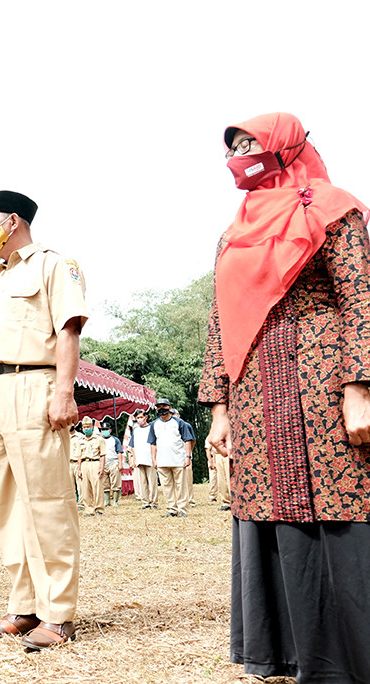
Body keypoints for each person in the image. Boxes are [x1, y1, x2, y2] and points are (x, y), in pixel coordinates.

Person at [200, 112, 370, 682]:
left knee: (339, 502)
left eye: (252, 143)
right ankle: (284, 651)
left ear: (286, 146)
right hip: (253, 392)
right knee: (269, 507)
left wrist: (360, 388)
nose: (241, 154)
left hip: (319, 382)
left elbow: (360, 299)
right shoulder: (233, 231)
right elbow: (219, 321)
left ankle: (348, 658)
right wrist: (219, 406)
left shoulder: (333, 207)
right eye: (234, 146)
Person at [0, 190, 87, 651]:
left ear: (13, 220)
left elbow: (68, 330)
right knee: (5, 506)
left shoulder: (54, 264)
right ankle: (24, 607)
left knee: (46, 501)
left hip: (34, 386)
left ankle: (59, 614)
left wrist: (63, 392)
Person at [147, 398, 195, 518]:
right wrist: (154, 459)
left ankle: (182, 508)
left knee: (181, 485)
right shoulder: (154, 424)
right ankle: (171, 509)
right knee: (166, 486)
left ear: (169, 407)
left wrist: (188, 456)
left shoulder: (179, 423)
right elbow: (153, 443)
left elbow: (187, 440)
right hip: (162, 460)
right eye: (159, 406)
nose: (161, 409)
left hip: (178, 459)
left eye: (164, 406)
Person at [75, 417, 106, 517]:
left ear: (92, 427)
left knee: (97, 486)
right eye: (84, 427)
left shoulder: (99, 439)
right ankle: (89, 509)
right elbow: (79, 456)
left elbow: (103, 455)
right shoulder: (80, 440)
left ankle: (99, 508)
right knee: (85, 488)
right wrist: (79, 469)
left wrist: (102, 468)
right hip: (84, 464)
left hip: (95, 463)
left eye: (88, 427)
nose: (86, 429)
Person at [127, 409, 157, 509]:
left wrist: (155, 458)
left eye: (141, 417)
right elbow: (132, 446)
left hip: (150, 459)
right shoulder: (135, 430)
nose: (140, 419)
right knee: (142, 482)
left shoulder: (151, 428)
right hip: (139, 460)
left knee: (152, 482)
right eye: (138, 417)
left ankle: (154, 502)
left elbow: (155, 444)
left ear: (146, 417)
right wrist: (133, 459)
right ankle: (145, 502)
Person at [171, 408, 197, 506]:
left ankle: (190, 499)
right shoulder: (168, 426)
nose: (173, 415)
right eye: (171, 414)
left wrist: (188, 453)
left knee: (187, 479)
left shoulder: (186, 425)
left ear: (178, 415)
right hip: (174, 456)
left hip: (185, 455)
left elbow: (192, 440)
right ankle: (177, 500)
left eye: (174, 414)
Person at [100, 421, 124, 507]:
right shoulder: (98, 440)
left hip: (113, 463)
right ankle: (107, 501)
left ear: (110, 430)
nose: (105, 431)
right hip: (102, 464)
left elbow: (119, 452)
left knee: (116, 483)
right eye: (103, 429)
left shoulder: (115, 440)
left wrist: (120, 464)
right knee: (104, 483)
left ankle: (115, 501)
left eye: (106, 429)